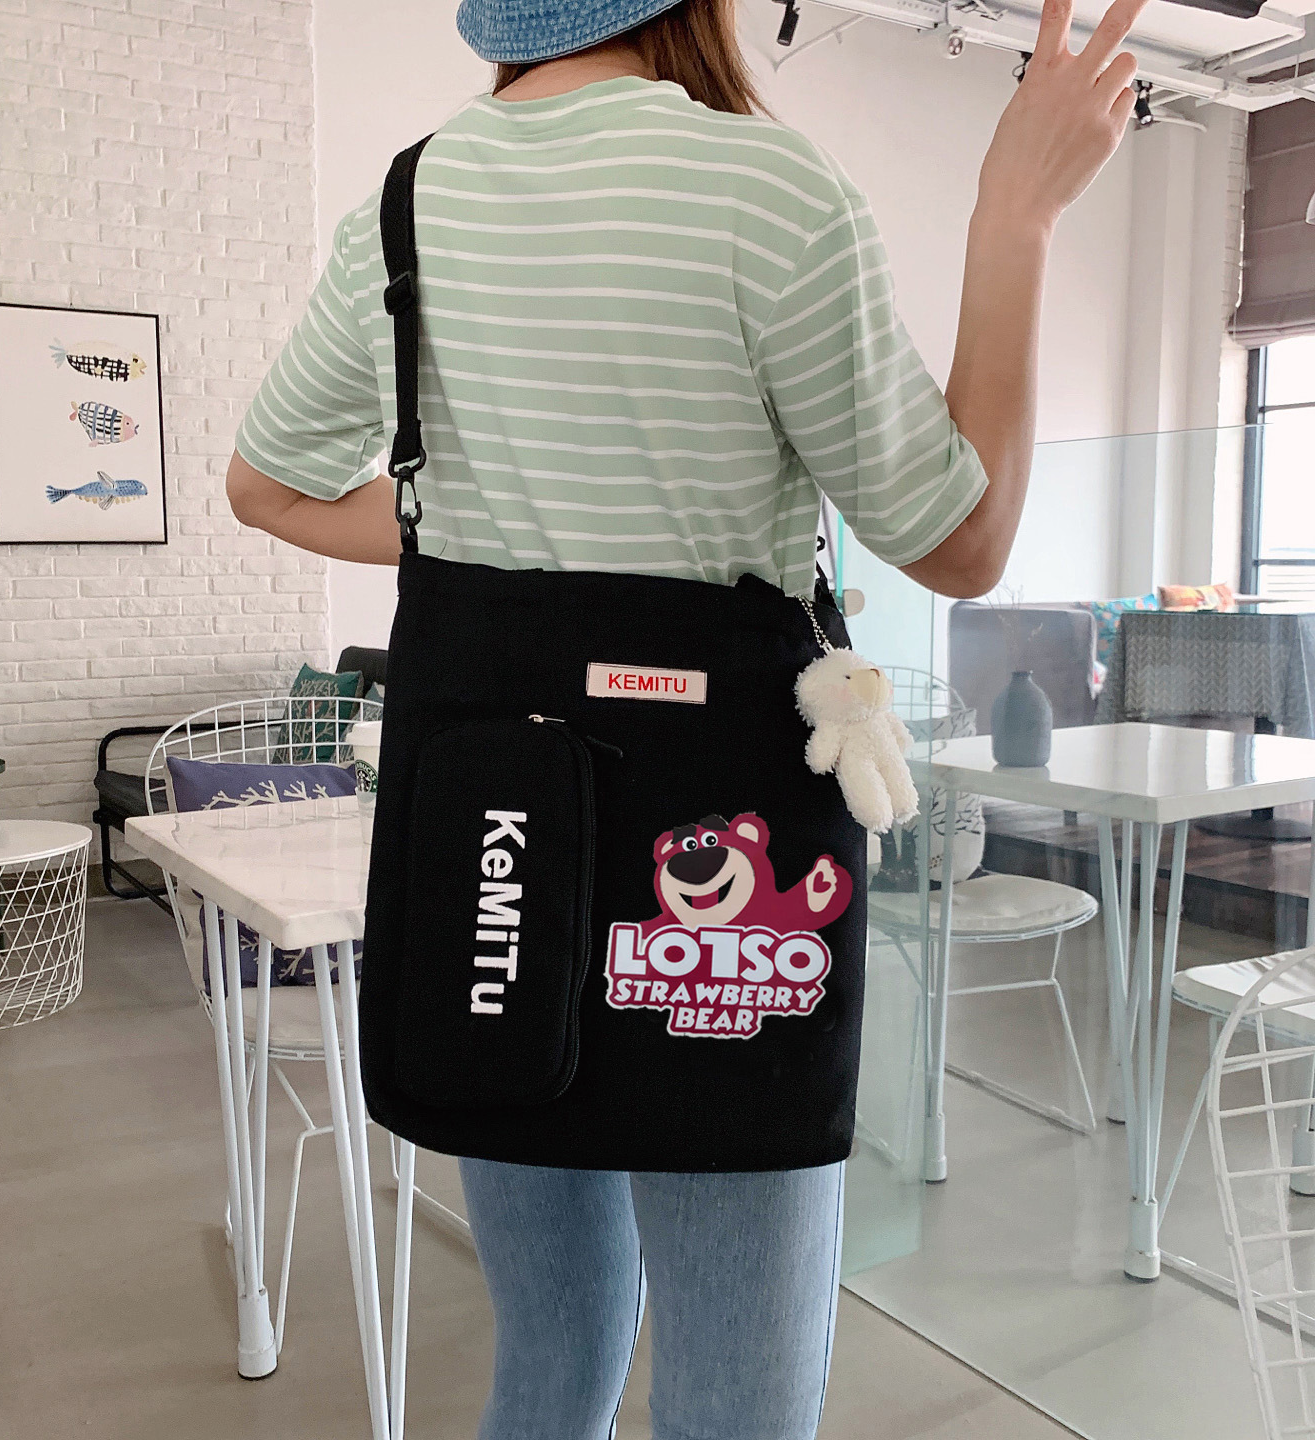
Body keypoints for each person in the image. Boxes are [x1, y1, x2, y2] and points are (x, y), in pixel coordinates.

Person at [227, 1, 1146, 1434]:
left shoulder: (407, 205)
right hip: (716, 874)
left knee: (553, 1356)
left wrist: (474, 525)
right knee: (736, 1398)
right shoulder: (764, 191)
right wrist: (1015, 213)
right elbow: (962, 543)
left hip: (500, 861)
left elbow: (268, 487)